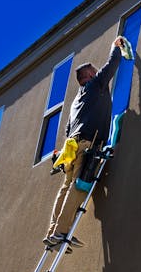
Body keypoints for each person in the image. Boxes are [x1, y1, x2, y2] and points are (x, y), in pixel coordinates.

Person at [44, 36, 127, 248]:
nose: (99, 72)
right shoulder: (95, 86)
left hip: (71, 147)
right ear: (90, 75)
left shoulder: (76, 102)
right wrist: (115, 47)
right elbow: (111, 66)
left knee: (65, 187)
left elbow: (66, 129)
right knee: (79, 185)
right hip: (87, 142)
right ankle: (62, 231)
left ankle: (53, 230)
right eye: (95, 70)